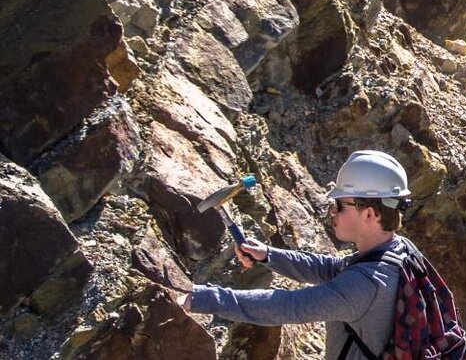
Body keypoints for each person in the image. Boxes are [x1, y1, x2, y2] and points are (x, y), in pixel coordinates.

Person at [181, 151, 450, 360]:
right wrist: (268, 255)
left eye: (339, 205)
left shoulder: (364, 286)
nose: (332, 211)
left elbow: (285, 306)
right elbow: (333, 268)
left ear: (369, 213)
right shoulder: (398, 250)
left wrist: (202, 297)